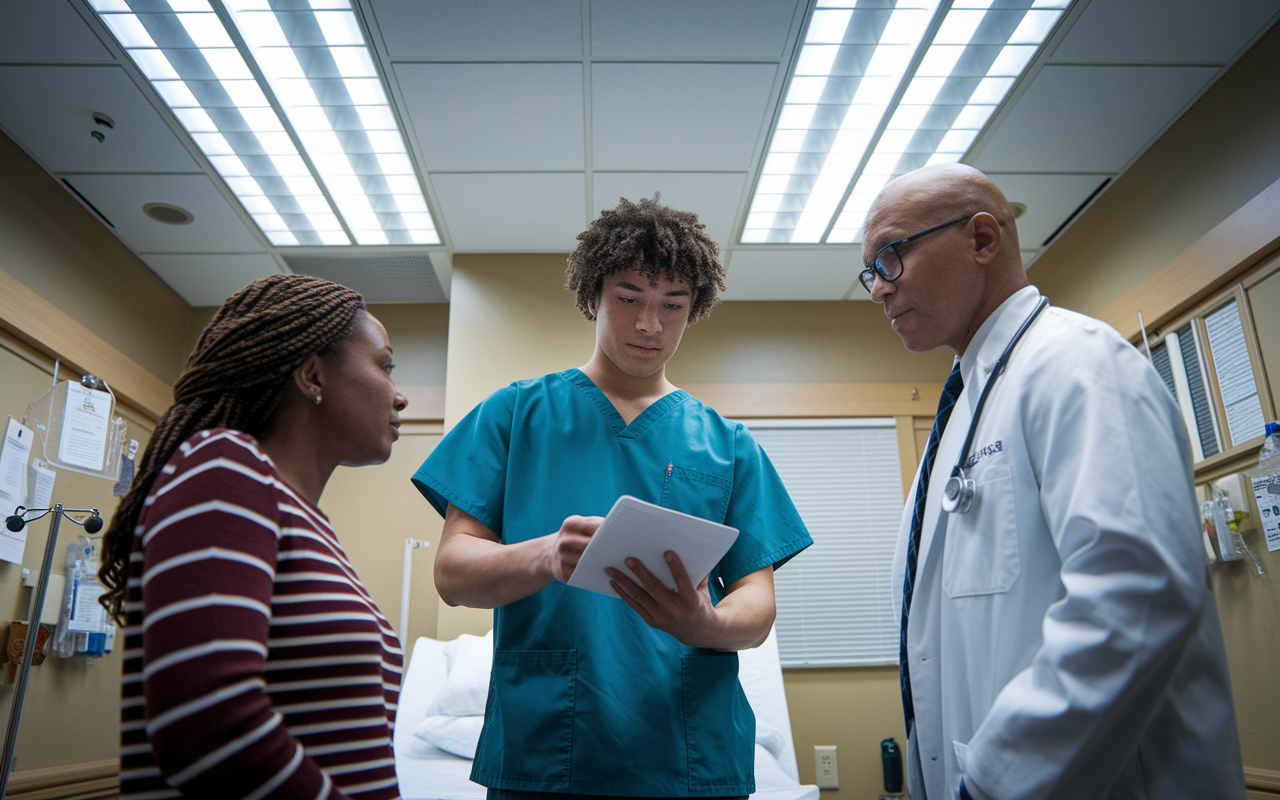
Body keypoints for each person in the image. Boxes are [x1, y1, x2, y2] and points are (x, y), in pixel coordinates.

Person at [863, 163, 1246, 800]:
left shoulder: (1078, 366)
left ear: (982, 240)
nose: (878, 288)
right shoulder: (965, 410)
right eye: (869, 270)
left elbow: (1135, 597)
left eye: (891, 256)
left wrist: (994, 779)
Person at [411, 196, 813, 799]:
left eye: (672, 305)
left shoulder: (728, 445)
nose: (650, 324)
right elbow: (452, 573)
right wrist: (545, 556)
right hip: (547, 749)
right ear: (593, 294)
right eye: (629, 299)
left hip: (689, 751)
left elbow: (757, 604)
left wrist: (705, 621)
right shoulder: (515, 414)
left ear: (692, 310)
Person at [98, 275, 408, 800]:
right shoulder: (226, 468)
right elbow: (210, 723)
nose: (399, 396)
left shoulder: (304, 519)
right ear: (313, 374)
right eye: (384, 365)